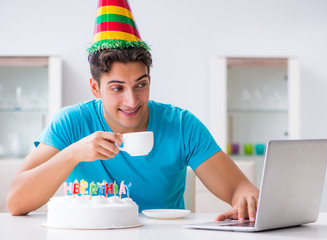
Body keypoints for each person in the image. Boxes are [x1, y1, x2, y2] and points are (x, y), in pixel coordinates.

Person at [7, 0, 259, 222]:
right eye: (117, 88)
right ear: (95, 88)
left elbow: (240, 189)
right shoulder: (72, 122)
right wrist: (73, 154)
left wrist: (248, 199)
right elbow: (16, 202)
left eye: (141, 84)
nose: (132, 101)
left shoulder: (181, 125)